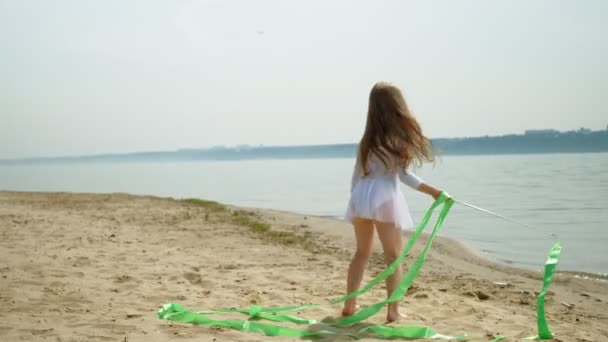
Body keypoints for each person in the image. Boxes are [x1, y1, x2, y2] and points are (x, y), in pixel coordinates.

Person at [343, 81, 445, 322]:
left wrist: (354, 202)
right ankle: (393, 310)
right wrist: (433, 191)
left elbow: (356, 175)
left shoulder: (365, 141)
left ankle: (350, 305)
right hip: (385, 197)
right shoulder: (397, 140)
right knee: (393, 256)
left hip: (361, 195)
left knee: (361, 253)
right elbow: (403, 175)